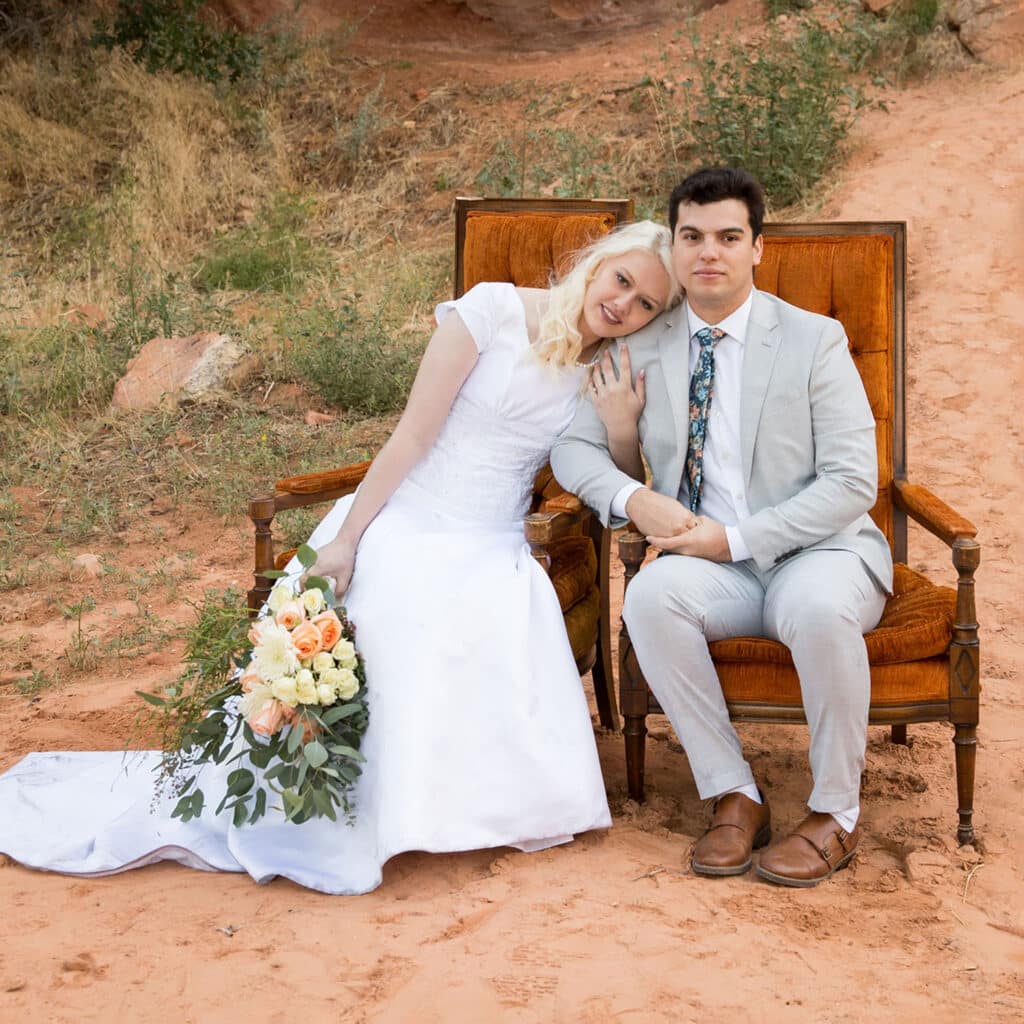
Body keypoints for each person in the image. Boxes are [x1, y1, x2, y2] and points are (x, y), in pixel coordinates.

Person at [0, 220, 678, 895]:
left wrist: (621, 424)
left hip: (492, 540)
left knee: (480, 613)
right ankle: (327, 802)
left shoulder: (608, 371)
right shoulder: (492, 311)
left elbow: (607, 476)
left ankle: (445, 810)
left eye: (646, 303)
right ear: (598, 262)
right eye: (622, 280)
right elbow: (411, 437)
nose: (624, 304)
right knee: (393, 611)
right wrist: (348, 539)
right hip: (409, 515)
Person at [550, 167, 893, 888]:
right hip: (706, 564)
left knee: (817, 607)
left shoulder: (814, 339)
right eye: (693, 236)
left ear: (757, 247)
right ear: (674, 248)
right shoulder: (640, 340)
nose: (710, 252)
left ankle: (836, 813)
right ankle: (733, 793)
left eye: (728, 237)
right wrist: (634, 499)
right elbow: (571, 449)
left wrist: (734, 539)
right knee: (649, 598)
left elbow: (854, 481)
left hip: (819, 550)